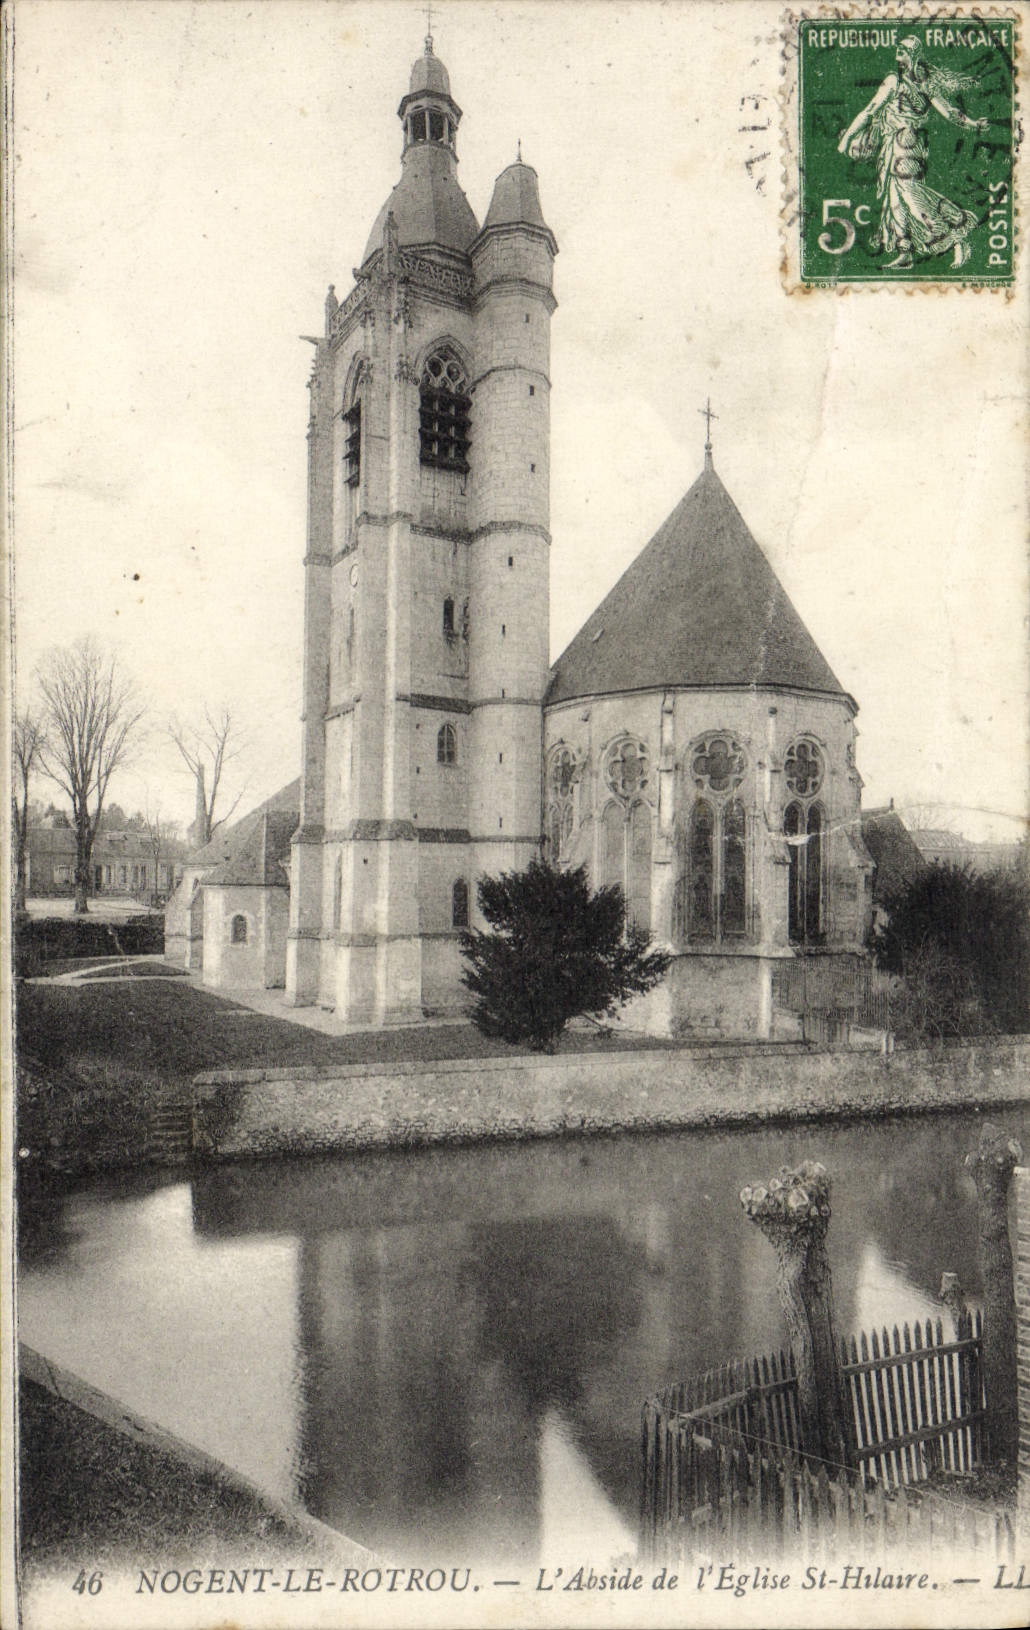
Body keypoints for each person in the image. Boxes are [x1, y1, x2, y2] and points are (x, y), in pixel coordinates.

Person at [837, 36, 989, 268]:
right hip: (905, 144)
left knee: (910, 194)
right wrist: (973, 124)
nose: (898, 54)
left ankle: (956, 235)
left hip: (903, 144)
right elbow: (950, 113)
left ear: (913, 54)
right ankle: (905, 252)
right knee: (896, 200)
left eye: (903, 50)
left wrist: (847, 138)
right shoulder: (920, 82)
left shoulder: (897, 81)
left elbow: (870, 111)